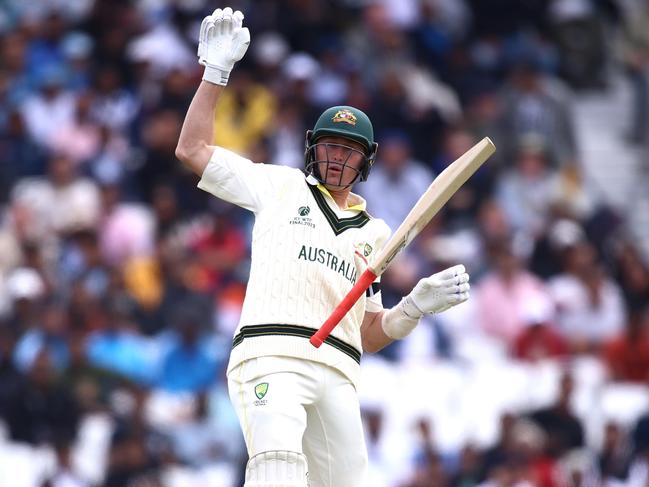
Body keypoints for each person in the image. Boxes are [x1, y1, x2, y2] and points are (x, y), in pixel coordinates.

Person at [175, 7, 471, 487]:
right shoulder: (280, 186)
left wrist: (414, 306)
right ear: (313, 147)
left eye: (350, 150)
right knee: (277, 467)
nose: (338, 158)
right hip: (273, 351)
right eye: (331, 146)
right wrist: (215, 73)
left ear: (365, 161)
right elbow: (191, 150)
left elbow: (369, 334)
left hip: (337, 369)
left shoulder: (376, 233)